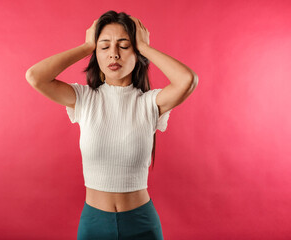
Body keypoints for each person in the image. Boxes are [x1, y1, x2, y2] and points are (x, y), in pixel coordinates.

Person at [26, 10, 198, 240]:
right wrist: (87, 45)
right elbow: (35, 76)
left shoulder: (149, 102)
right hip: (94, 223)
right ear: (96, 54)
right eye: (105, 47)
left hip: (142, 223)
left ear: (136, 52)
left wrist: (144, 46)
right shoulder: (84, 98)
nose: (113, 55)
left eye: (124, 46)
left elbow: (188, 80)